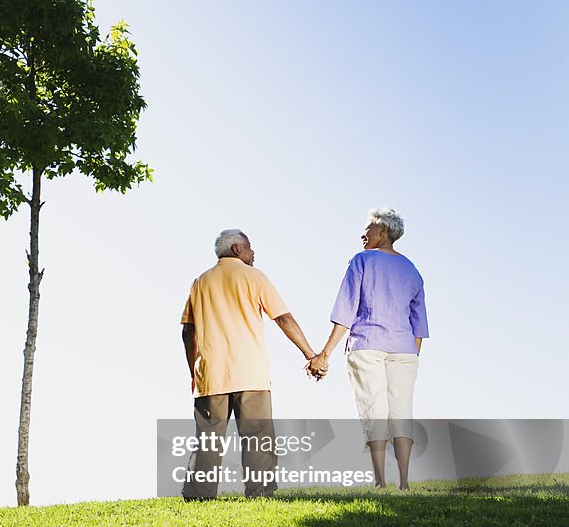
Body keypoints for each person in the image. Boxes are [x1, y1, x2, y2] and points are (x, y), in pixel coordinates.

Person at [180, 229, 320, 500]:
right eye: (249, 247)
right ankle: (261, 494)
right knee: (257, 437)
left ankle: (198, 497)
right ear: (236, 249)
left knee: (208, 440)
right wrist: (310, 354)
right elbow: (283, 319)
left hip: (211, 374)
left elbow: (187, 331)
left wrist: (193, 372)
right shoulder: (254, 276)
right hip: (250, 372)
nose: (253, 253)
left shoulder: (200, 282)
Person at [307, 208, 429, 490]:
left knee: (374, 409)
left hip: (367, 345)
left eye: (369, 229)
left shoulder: (361, 260)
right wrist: (412, 356)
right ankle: (405, 483)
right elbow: (419, 324)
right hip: (404, 350)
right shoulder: (412, 270)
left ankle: (380, 482)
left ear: (383, 231)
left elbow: (345, 311)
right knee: (401, 410)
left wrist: (324, 353)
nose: (364, 234)